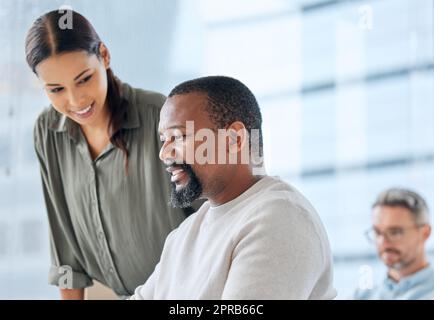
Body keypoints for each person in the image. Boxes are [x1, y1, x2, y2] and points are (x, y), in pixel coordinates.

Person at [25, 9, 189, 299]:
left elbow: (214, 220)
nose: (76, 100)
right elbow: (63, 246)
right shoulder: (47, 132)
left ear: (104, 55)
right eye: (56, 89)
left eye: (84, 79)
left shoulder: (160, 116)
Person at [130, 76, 336, 299]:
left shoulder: (280, 218)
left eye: (178, 137)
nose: (164, 154)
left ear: (234, 139)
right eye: (164, 140)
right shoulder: (184, 234)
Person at [353, 188, 434, 299]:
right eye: (377, 232)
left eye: (395, 232)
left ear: (425, 233)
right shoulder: (363, 295)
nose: (383, 242)